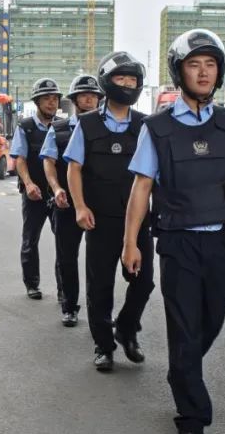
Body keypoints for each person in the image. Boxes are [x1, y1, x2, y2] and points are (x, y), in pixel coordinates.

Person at [122, 29, 225, 434]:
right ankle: (192, 418)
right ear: (180, 72)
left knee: (215, 312)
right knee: (185, 327)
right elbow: (141, 187)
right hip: (177, 242)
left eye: (211, 64)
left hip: (219, 241)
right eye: (195, 64)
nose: (204, 72)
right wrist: (130, 242)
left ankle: (182, 370)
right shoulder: (156, 129)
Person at [65, 52, 154, 372]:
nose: (128, 85)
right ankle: (104, 346)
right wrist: (79, 206)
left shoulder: (146, 125)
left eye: (133, 80)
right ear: (107, 82)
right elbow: (74, 168)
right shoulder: (87, 125)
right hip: (99, 219)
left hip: (138, 221)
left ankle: (127, 329)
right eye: (121, 79)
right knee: (100, 286)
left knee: (143, 283)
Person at [41, 73, 103, 327]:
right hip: (66, 203)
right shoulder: (59, 129)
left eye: (93, 95)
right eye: (83, 94)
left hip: (100, 203)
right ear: (75, 99)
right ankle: (69, 306)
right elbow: (48, 161)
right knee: (67, 257)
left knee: (99, 260)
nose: (89, 98)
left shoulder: (107, 128)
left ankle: (99, 309)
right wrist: (56, 188)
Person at [10, 79, 62, 300]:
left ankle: (64, 289)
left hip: (58, 193)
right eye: (46, 99)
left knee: (63, 241)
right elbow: (20, 159)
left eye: (54, 99)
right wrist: (29, 184)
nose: (51, 103)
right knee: (30, 239)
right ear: (37, 102)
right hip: (34, 192)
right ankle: (32, 284)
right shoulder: (26, 127)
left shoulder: (63, 127)